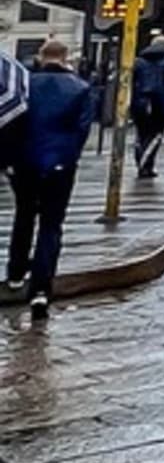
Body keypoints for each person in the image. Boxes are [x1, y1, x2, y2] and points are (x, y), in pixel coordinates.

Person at [3, 41, 99, 319]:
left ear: (40, 58)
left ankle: (16, 273)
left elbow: (12, 122)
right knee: (51, 225)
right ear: (66, 58)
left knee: (24, 216)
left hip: (24, 164)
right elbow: (82, 131)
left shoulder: (23, 85)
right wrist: (67, 158)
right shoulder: (80, 88)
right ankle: (41, 291)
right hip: (59, 165)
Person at [130, 35, 164, 178]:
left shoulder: (138, 61)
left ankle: (142, 163)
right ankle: (146, 164)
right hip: (161, 102)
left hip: (139, 103)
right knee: (156, 135)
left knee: (141, 134)